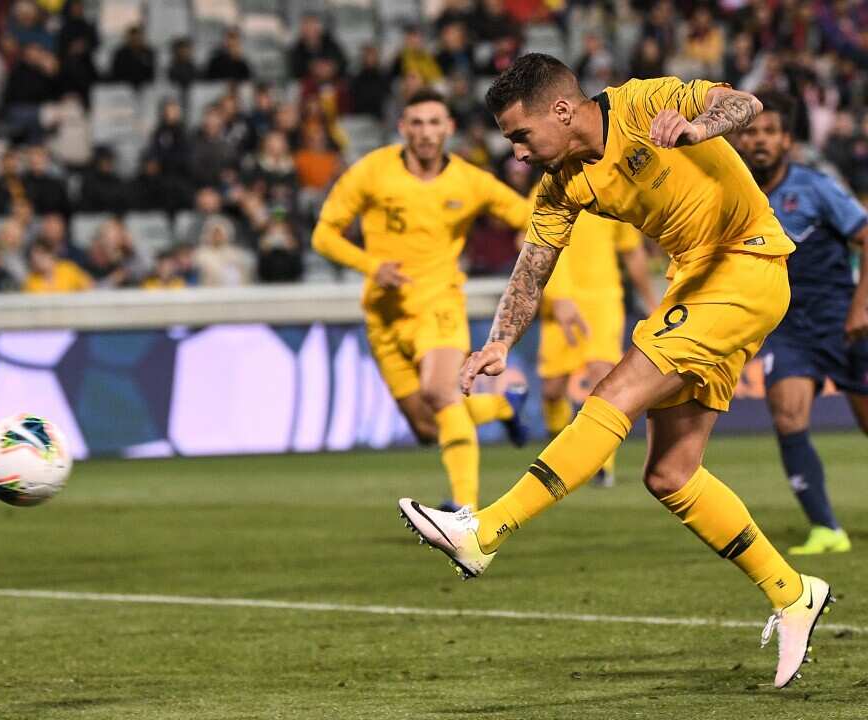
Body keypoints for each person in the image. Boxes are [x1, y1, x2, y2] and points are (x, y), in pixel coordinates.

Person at [396, 53, 830, 689]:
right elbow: (534, 263)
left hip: (746, 264)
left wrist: (698, 127)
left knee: (616, 390)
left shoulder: (645, 103)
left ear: (563, 111)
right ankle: (792, 592)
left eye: (521, 134)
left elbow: (745, 103)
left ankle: (485, 530)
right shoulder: (560, 182)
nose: (516, 153)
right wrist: (499, 342)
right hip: (694, 284)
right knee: (671, 474)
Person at [313, 87, 532, 510]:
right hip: (384, 314)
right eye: (417, 122)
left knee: (440, 392)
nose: (426, 132)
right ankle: (503, 409)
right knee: (428, 427)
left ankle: (464, 511)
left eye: (435, 122)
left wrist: (529, 239)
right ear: (403, 128)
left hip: (440, 304)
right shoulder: (372, 171)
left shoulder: (469, 181)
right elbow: (323, 234)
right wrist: (373, 266)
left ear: (449, 128)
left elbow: (526, 214)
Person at [732, 91, 868, 554]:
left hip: (841, 320)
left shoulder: (815, 187)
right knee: (788, 416)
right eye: (751, 132)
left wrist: (861, 308)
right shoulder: (734, 195)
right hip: (785, 327)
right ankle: (826, 528)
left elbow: (866, 238)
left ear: (787, 139)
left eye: (770, 132)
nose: (760, 141)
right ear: (738, 140)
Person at [537, 212, 658, 487]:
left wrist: (651, 302)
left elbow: (632, 251)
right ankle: (559, 459)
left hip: (602, 300)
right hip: (558, 304)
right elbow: (534, 250)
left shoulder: (610, 194)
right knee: (552, 391)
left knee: (602, 378)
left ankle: (601, 468)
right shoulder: (543, 194)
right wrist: (554, 296)